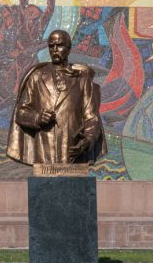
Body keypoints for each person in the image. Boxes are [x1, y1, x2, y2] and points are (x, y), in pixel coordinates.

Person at [7, 29, 106, 174]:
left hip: (73, 151)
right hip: (45, 152)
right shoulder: (36, 77)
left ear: (69, 48)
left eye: (59, 45)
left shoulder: (82, 80)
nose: (54, 50)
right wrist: (37, 117)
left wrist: (89, 139)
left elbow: (92, 117)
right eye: (51, 46)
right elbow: (21, 112)